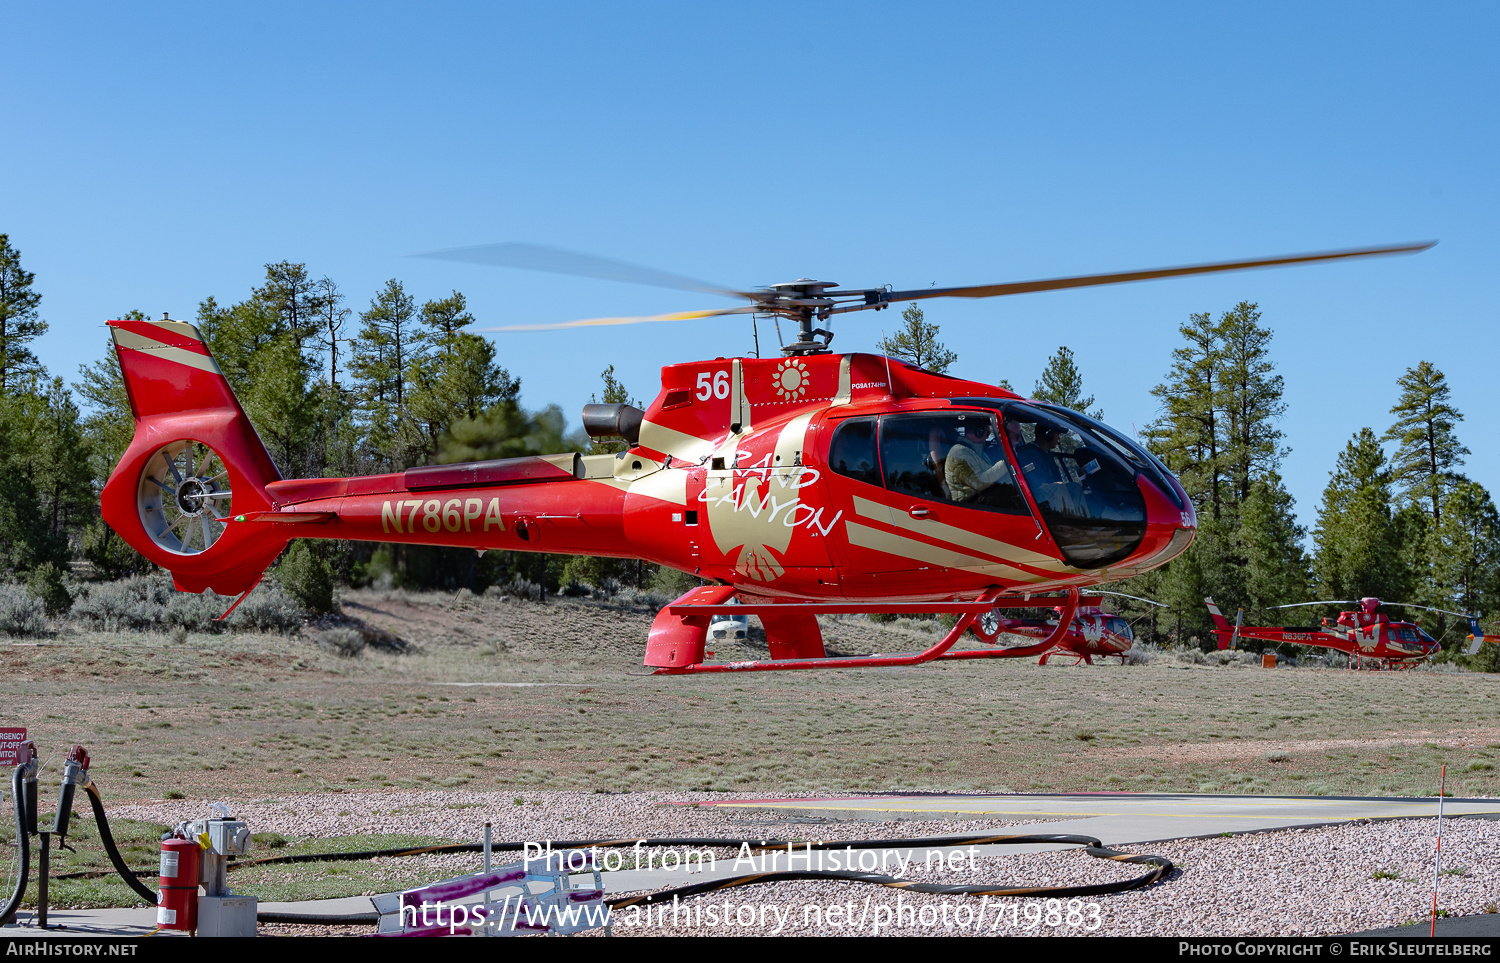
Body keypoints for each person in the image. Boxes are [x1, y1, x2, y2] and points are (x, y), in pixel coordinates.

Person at [945, 417, 1014, 503]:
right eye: (987, 434)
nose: (987, 438)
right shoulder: (959, 452)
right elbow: (979, 482)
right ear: (979, 432)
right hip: (968, 505)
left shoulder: (978, 452)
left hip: (982, 500)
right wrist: (1005, 463)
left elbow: (991, 475)